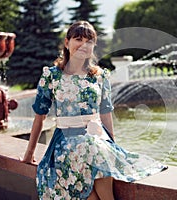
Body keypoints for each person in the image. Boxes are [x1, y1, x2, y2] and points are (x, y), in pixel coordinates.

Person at [21, 20, 167, 200]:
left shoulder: (100, 76)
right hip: (65, 141)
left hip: (96, 140)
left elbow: (105, 113)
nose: (84, 45)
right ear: (67, 43)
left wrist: (113, 146)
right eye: (78, 39)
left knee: (95, 150)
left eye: (89, 41)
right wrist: (29, 154)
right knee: (88, 159)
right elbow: (40, 116)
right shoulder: (51, 75)